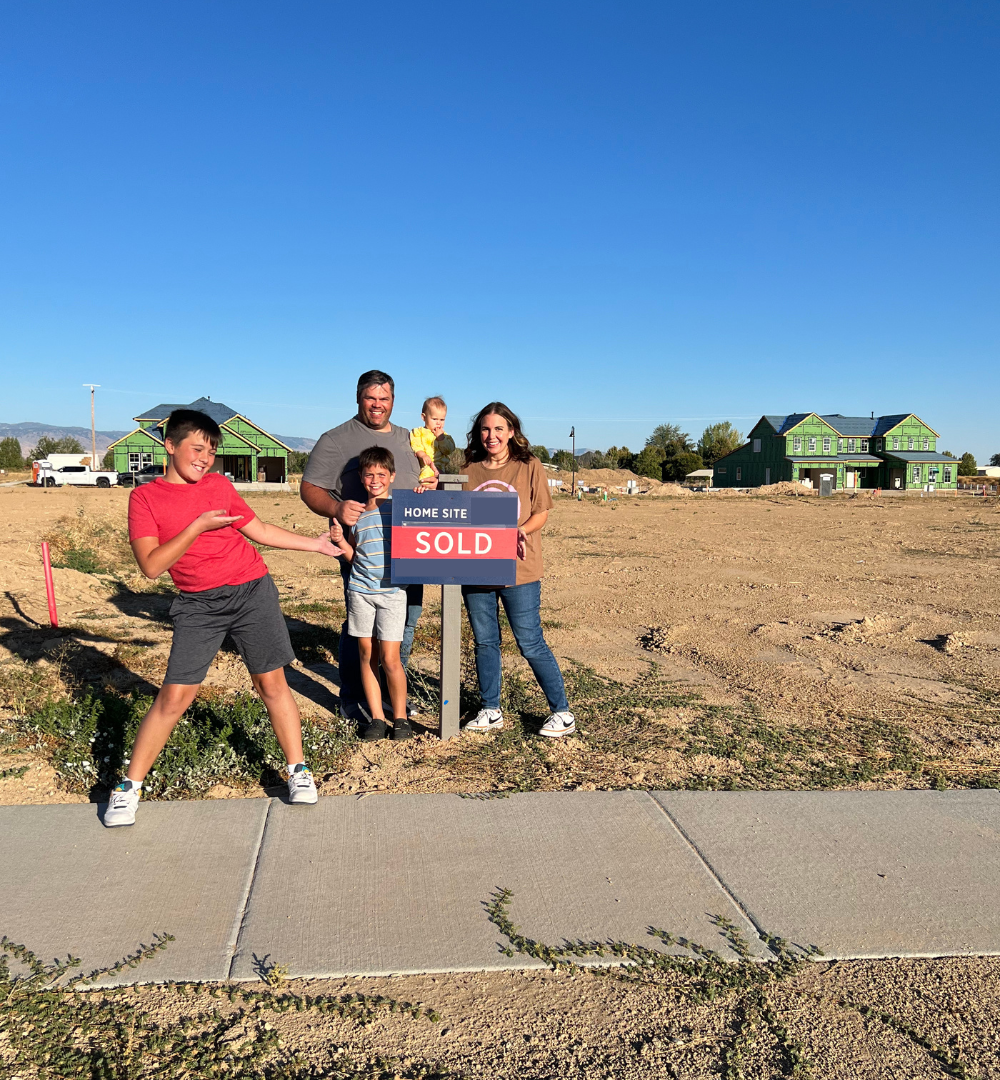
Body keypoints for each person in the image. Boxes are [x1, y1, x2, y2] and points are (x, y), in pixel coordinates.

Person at [104, 409, 341, 827]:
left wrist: (315, 546)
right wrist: (197, 525)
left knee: (272, 682)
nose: (204, 459)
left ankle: (298, 771)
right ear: (170, 445)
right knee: (175, 696)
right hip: (198, 605)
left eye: (211, 451)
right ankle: (128, 788)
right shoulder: (144, 498)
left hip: (253, 591)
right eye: (197, 449)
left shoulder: (218, 485)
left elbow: (261, 529)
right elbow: (151, 566)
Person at [301, 371, 432, 724]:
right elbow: (310, 487)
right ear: (359, 398)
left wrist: (431, 483)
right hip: (364, 551)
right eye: (370, 398)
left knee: (404, 624)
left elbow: (430, 478)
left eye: (384, 398)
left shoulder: (410, 439)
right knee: (359, 631)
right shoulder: (336, 439)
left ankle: (392, 696)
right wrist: (336, 508)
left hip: (410, 549)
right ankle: (352, 696)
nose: (377, 405)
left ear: (393, 400)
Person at [460, 402, 575, 737]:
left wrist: (519, 531)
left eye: (498, 429)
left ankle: (562, 713)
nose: (491, 435)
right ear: (477, 432)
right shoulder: (467, 468)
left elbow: (541, 513)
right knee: (485, 642)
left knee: (529, 641)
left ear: (511, 431)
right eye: (485, 429)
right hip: (476, 568)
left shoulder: (528, 465)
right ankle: (490, 708)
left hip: (520, 569)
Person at [327, 446, 413, 741]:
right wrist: (341, 541)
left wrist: (420, 495)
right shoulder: (357, 514)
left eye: (381, 474)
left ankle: (400, 717)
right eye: (369, 474)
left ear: (392, 476)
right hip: (361, 591)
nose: (375, 479)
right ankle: (377, 717)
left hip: (392, 593)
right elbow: (355, 556)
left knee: (390, 658)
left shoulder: (403, 509)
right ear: (362, 478)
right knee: (367, 654)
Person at [410, 396, 456, 484]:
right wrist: (422, 455)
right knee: (426, 477)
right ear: (423, 417)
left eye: (442, 419)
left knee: (450, 483)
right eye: (434, 419)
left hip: (441, 468)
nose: (438, 423)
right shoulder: (418, 432)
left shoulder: (445, 436)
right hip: (425, 466)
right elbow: (415, 445)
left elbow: (449, 449)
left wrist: (441, 438)